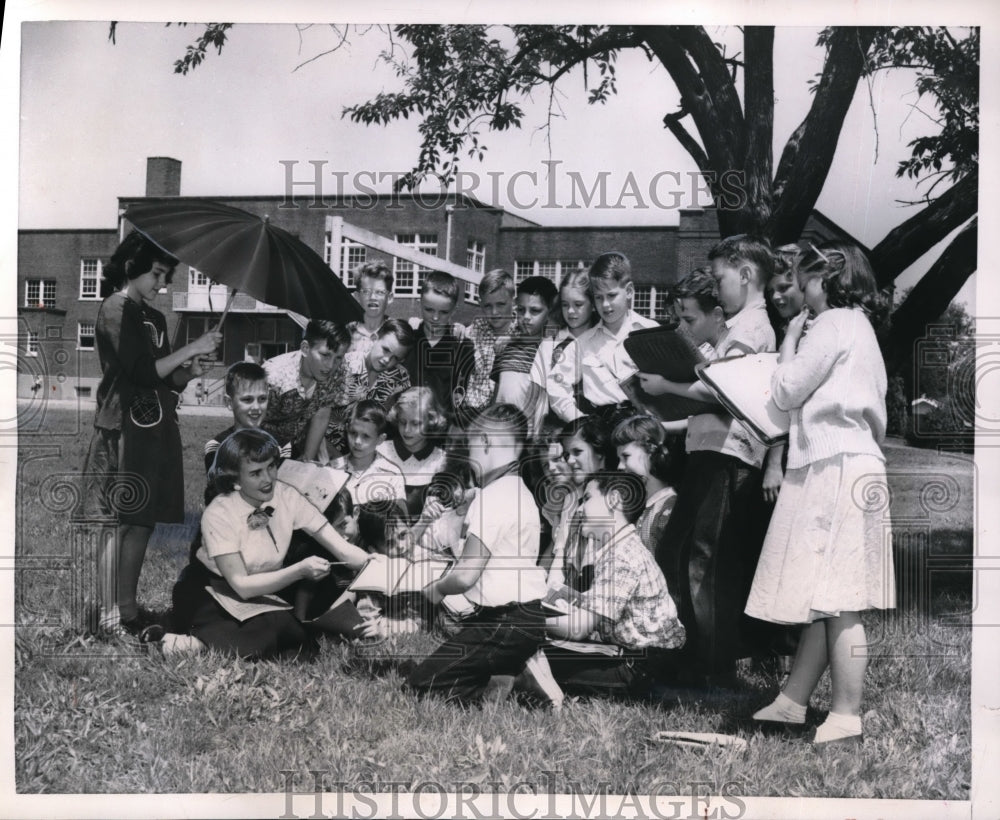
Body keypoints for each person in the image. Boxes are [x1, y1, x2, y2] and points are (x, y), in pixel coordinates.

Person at [745, 241, 894, 746]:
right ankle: (792, 701)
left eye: (803, 280)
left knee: (841, 598)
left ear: (824, 279)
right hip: (847, 461)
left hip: (837, 465)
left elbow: (786, 389)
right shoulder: (858, 326)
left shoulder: (830, 323)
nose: (800, 292)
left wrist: (788, 339)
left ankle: (848, 714)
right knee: (822, 596)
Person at [636, 237, 778, 687]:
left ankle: (715, 665)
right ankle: (692, 649)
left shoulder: (753, 329)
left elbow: (723, 391)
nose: (717, 286)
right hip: (709, 454)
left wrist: (666, 387)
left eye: (720, 278)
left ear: (746, 274)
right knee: (685, 551)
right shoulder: (740, 327)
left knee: (708, 560)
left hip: (729, 458)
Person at [77, 230, 221, 636]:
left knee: (141, 524)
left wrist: (188, 371)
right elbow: (139, 371)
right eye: (157, 275)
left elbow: (164, 379)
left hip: (154, 430)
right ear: (131, 268)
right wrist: (191, 348)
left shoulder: (156, 318)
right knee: (118, 523)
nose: (161, 284)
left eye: (166, 278)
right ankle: (106, 614)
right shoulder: (114, 309)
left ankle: (127, 608)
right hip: (122, 429)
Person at [168, 429, 371, 660]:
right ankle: (194, 643)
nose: (268, 479)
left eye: (271, 467)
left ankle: (206, 642)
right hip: (212, 588)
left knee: (293, 636)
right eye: (255, 473)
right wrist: (299, 570)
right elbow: (242, 585)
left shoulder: (287, 496)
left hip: (263, 589)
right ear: (234, 479)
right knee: (272, 630)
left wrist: (372, 563)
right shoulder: (219, 512)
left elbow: (342, 548)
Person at [405, 404, 551, 704]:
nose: (468, 453)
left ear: (484, 441)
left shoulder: (494, 497)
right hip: (526, 618)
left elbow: (464, 576)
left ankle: (515, 682)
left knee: (421, 687)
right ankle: (509, 670)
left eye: (470, 442)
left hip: (505, 621)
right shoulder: (520, 490)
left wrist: (435, 590)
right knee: (450, 668)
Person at [541, 471, 686, 700]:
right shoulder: (619, 547)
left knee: (532, 653)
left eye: (587, 498)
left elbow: (578, 628)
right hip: (644, 661)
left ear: (614, 500)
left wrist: (528, 622)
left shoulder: (621, 555)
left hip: (640, 668)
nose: (579, 510)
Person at [575, 252, 658, 425]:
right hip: (601, 427)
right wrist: (578, 421)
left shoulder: (653, 333)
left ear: (629, 291)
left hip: (642, 426)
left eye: (611, 295)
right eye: (598, 297)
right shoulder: (584, 342)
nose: (605, 304)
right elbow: (556, 385)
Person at [540, 416, 617, 586]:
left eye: (577, 452)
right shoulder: (571, 499)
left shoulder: (615, 497)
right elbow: (560, 555)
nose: (570, 460)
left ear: (600, 451)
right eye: (567, 454)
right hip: (572, 588)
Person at [262, 320, 350, 461]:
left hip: (297, 444)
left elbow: (322, 414)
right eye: (325, 355)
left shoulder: (339, 370)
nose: (330, 365)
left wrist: (307, 458)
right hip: (260, 445)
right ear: (305, 348)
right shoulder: (273, 376)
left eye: (338, 357)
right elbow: (250, 421)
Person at [327, 318, 414, 454]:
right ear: (374, 339)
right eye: (385, 349)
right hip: (323, 446)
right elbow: (313, 415)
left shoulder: (400, 378)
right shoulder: (343, 364)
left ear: (402, 360)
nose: (386, 360)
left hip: (363, 453)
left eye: (395, 358)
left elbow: (384, 423)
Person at [402, 271, 475, 424]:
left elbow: (461, 397)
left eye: (443, 312)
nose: (435, 318)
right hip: (404, 428)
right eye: (429, 310)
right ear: (419, 302)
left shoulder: (463, 347)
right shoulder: (407, 341)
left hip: (442, 435)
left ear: (454, 309)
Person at [203, 361, 291, 473]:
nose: (256, 407)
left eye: (262, 399)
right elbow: (220, 488)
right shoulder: (218, 446)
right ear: (229, 402)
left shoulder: (281, 445)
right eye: (247, 400)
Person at [377, 386, 449, 517]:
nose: (407, 430)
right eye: (402, 422)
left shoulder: (440, 460)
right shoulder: (381, 451)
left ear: (431, 421)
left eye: (415, 424)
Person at [612, 414, 678, 557]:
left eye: (626, 456)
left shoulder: (668, 507)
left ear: (650, 451)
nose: (620, 466)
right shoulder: (648, 507)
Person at [329, 399, 407, 517]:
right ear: (347, 429)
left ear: (380, 439)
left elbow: (400, 523)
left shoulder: (392, 475)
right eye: (353, 433)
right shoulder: (332, 469)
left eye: (366, 436)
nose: (357, 441)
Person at [460, 268, 516, 420]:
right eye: (488, 306)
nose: (495, 312)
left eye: (501, 304)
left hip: (505, 417)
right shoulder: (473, 331)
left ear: (513, 301)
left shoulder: (523, 334)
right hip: (469, 413)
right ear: (480, 304)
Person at [346, 261, 395, 359]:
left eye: (380, 292)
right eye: (366, 291)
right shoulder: (345, 333)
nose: (372, 297)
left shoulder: (396, 333)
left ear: (389, 298)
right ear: (357, 296)